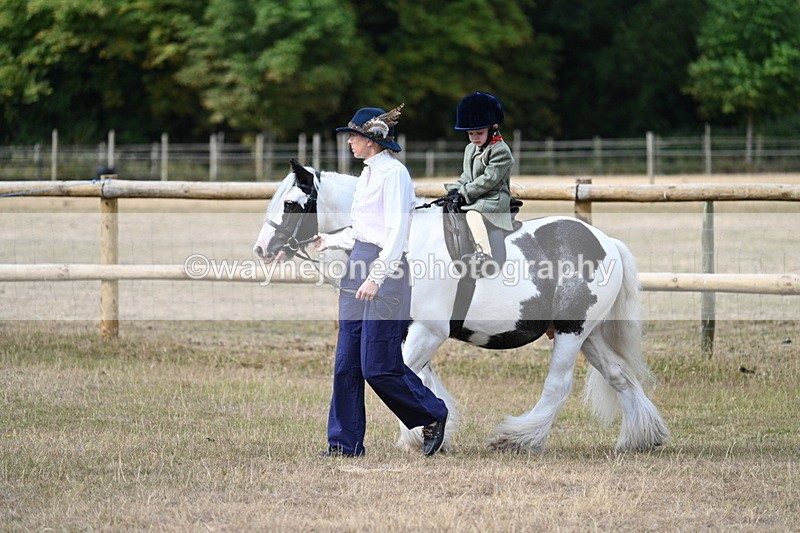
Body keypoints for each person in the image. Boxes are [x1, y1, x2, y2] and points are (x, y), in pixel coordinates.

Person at [313, 104, 448, 457]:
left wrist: (376, 277)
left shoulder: (395, 175)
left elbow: (396, 233)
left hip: (386, 272)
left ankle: (433, 414)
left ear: (371, 140)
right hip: (357, 262)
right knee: (346, 364)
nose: (350, 143)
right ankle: (344, 443)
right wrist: (333, 240)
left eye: (354, 137)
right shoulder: (367, 175)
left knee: (378, 365)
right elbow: (363, 230)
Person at [445, 91, 515, 265]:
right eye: (470, 134)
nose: (474, 138)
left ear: (493, 129)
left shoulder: (500, 150)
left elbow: (489, 179)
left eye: (479, 133)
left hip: (494, 197)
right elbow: (467, 176)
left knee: (473, 215)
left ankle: (484, 253)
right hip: (478, 195)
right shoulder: (470, 149)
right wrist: (454, 189)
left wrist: (464, 193)